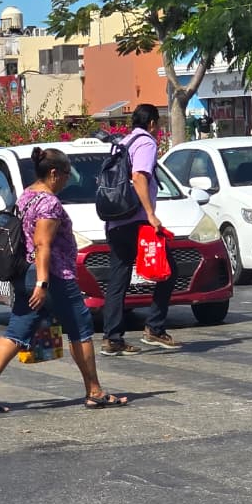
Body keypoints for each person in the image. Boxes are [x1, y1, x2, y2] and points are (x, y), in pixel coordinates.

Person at [0, 149, 128, 413]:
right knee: (81, 329)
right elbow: (43, 245)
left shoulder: (26, 196)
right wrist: (43, 284)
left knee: (16, 331)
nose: (68, 179)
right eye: (67, 174)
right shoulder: (49, 203)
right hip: (53, 276)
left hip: (26, 272)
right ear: (54, 173)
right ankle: (94, 391)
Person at [102, 103, 181, 357]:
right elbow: (139, 176)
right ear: (152, 124)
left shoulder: (123, 142)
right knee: (169, 269)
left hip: (115, 220)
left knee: (118, 278)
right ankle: (154, 327)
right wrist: (150, 214)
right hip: (137, 221)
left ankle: (112, 338)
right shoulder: (145, 142)